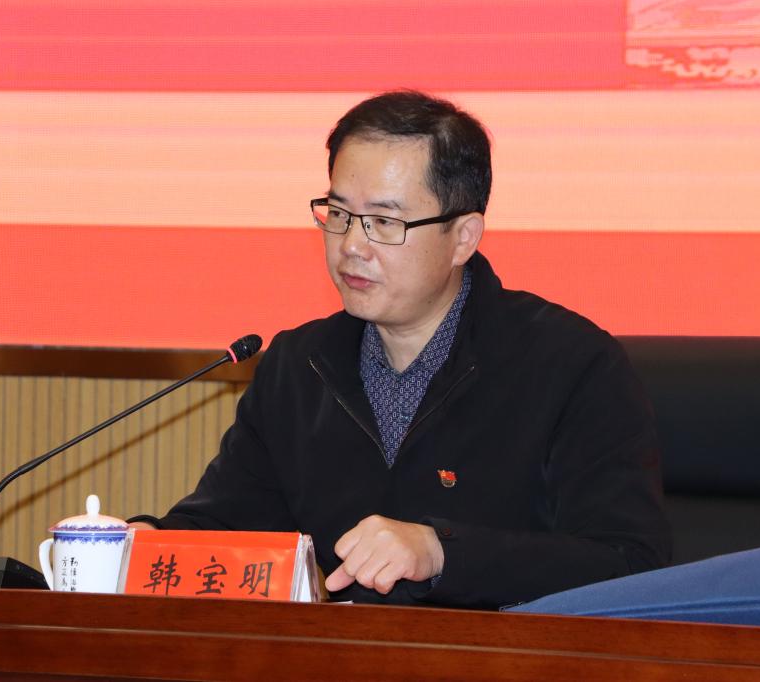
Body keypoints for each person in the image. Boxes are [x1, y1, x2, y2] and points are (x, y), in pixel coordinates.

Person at [128, 90, 671, 609]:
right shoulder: (299, 366)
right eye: (338, 214)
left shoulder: (571, 365)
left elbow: (629, 564)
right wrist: (140, 543)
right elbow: (222, 529)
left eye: (384, 222)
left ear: (463, 237)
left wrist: (442, 553)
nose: (351, 245)